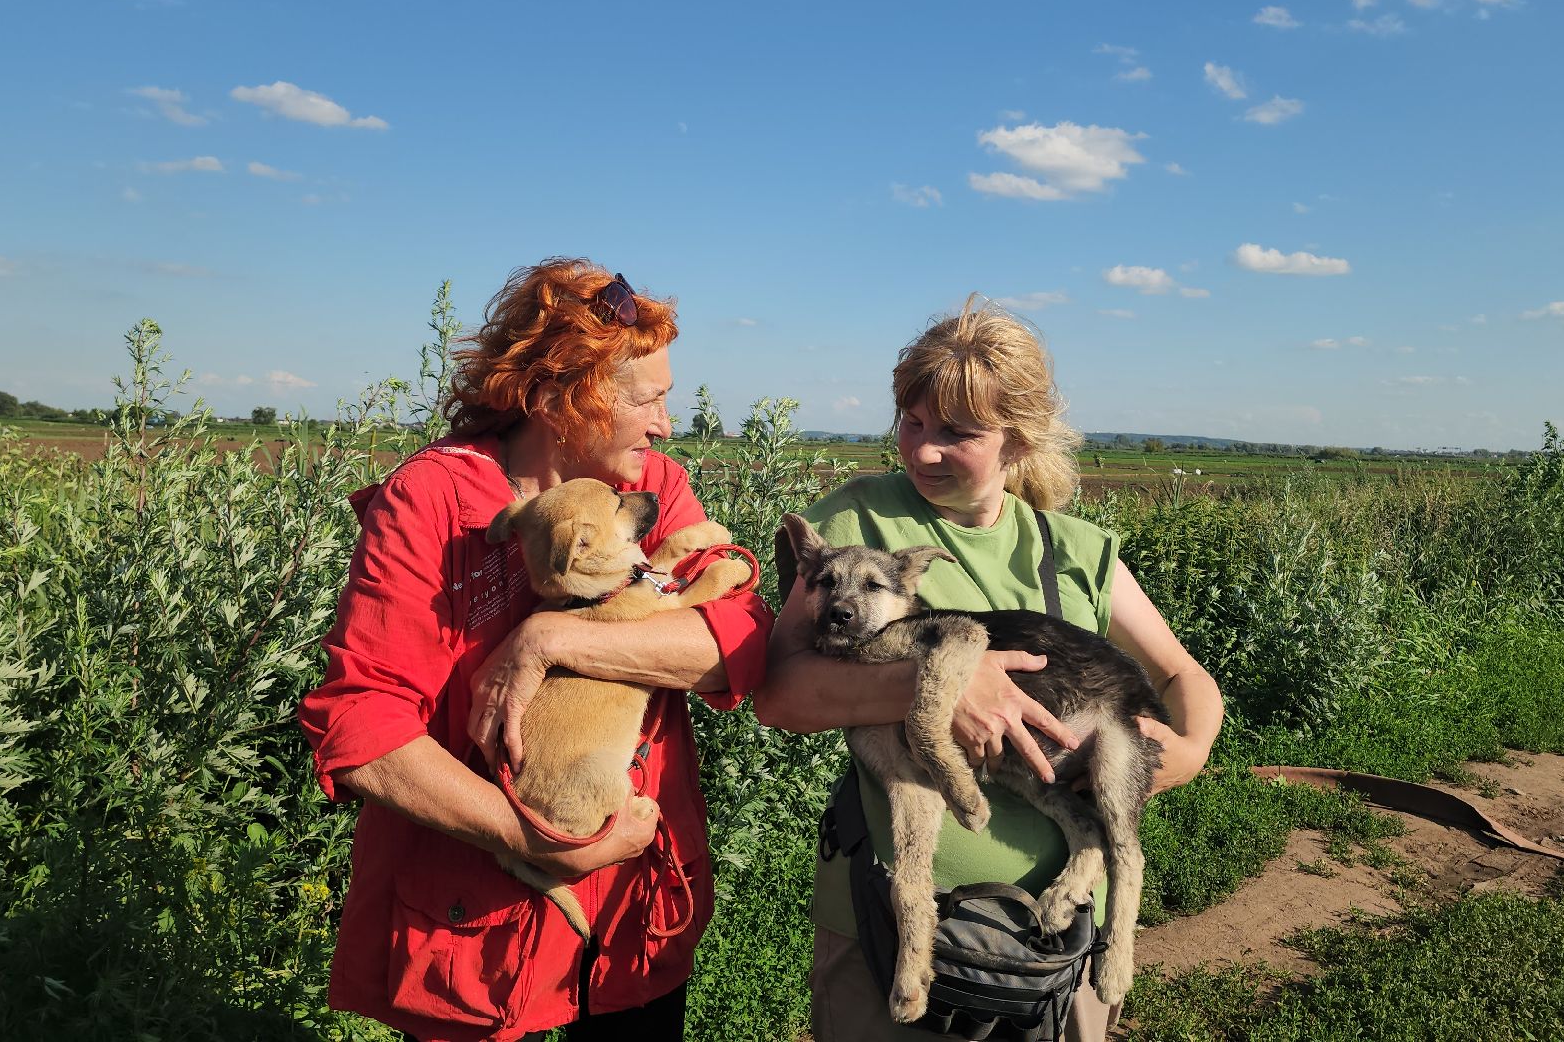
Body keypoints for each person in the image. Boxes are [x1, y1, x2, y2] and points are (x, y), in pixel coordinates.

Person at [298, 258, 773, 1042]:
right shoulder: (435, 501)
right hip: (476, 932)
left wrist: (549, 638)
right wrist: (541, 844)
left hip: (631, 911)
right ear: (560, 401)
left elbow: (735, 643)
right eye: (648, 400)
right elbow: (364, 728)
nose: (665, 424)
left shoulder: (652, 488)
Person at [756, 299, 1225, 1041]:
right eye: (912, 422)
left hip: (1057, 934)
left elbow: (1181, 675)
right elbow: (779, 693)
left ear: (1018, 440)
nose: (924, 451)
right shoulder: (856, 523)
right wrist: (938, 687)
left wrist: (1189, 752)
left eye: (957, 433)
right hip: (892, 916)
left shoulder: (1075, 548)